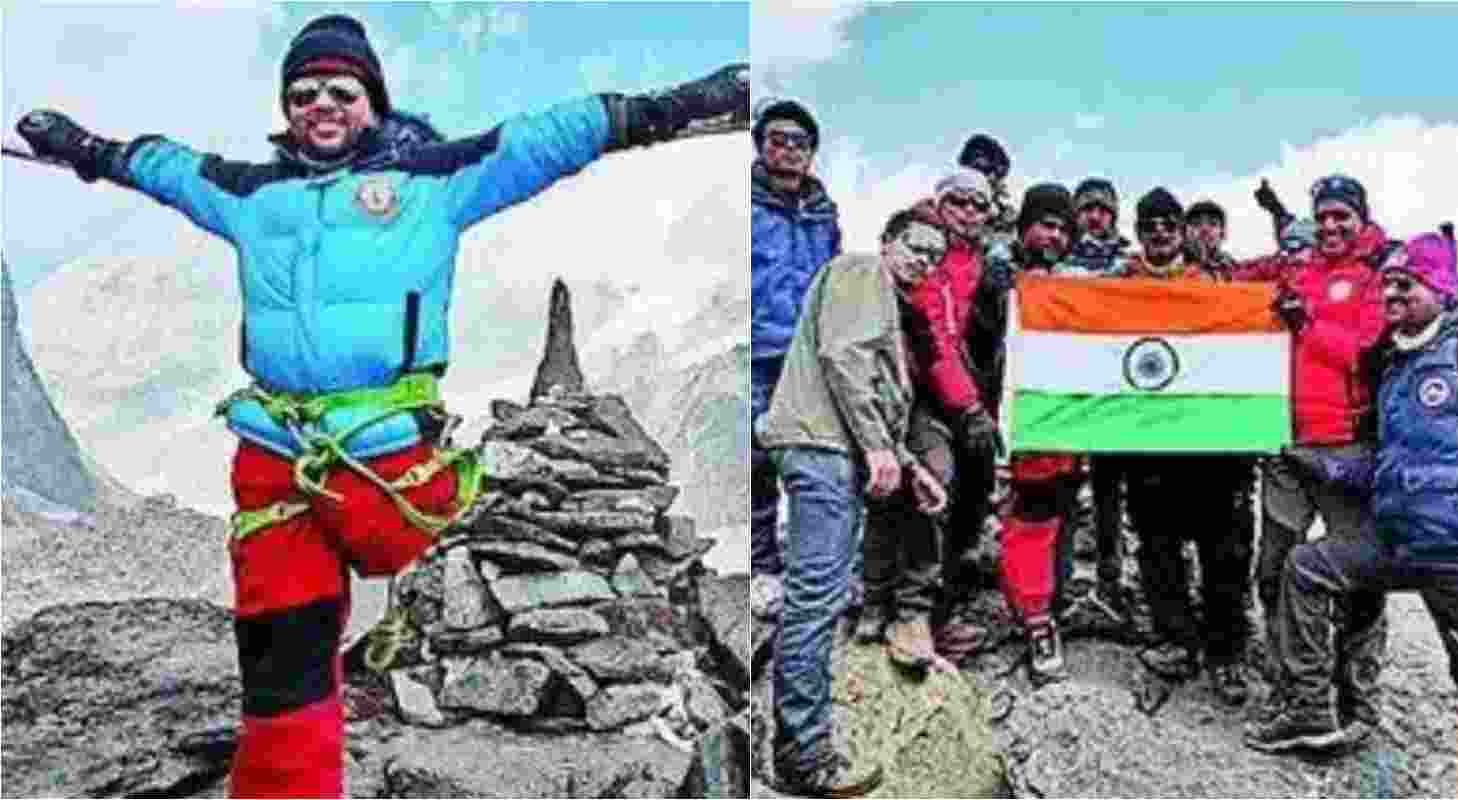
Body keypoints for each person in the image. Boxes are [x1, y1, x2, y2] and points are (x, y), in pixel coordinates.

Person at [14, 14, 747, 798]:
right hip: (276, 461)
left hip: (383, 455)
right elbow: (165, 168)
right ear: (286, 108)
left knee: (382, 557)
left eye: (340, 89)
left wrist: (677, 105)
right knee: (280, 664)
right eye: (302, 93)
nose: (320, 104)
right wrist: (84, 150)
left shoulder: (432, 182)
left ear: (372, 99)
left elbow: (547, 137)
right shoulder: (252, 197)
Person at [1247, 231, 1458, 762]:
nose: (1393, 293)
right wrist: (1317, 461)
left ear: (1442, 287)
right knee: (1307, 567)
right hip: (1400, 544)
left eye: (1408, 283)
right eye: (1387, 285)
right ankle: (1310, 713)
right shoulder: (1395, 366)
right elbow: (1390, 461)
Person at [760, 209, 950, 797]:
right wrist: (877, 449)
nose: (924, 259)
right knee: (816, 597)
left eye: (935, 256)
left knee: (819, 594)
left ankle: (796, 741)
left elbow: (870, 390)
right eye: (916, 246)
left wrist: (909, 465)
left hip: (826, 448)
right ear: (888, 242)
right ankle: (803, 755)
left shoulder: (882, 303)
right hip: (820, 449)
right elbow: (843, 358)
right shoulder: (863, 272)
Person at [1247, 175, 1391, 739]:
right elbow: (1243, 287)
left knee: (1354, 576)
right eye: (1323, 216)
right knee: (1274, 570)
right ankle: (1300, 699)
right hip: (1285, 446)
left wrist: (1307, 322)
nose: (1331, 226)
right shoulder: (1298, 270)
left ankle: (1359, 701)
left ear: (1361, 218)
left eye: (1341, 217)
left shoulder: (1379, 275)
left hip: (1347, 449)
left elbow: (1367, 354)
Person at [1118, 188, 1256, 705]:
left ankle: (1227, 652)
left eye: (1168, 224)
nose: (1159, 232)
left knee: (1225, 552)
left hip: (1213, 448)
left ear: (1180, 232)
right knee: (1158, 549)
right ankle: (1175, 638)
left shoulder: (1218, 286)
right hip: (1147, 445)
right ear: (1139, 231)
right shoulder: (1117, 287)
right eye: (1149, 224)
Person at [970, 183, 1084, 682]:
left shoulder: (1077, 286)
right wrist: (995, 295)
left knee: (1059, 518)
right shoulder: (993, 277)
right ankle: (1037, 620)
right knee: (1030, 522)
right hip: (1014, 424)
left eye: (1063, 228)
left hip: (1069, 427)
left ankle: (1045, 604)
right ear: (1024, 227)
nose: (1053, 235)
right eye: (1046, 224)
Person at [892, 168, 1006, 664]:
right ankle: (910, 614)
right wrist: (969, 407)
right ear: (940, 204)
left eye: (978, 205)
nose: (967, 212)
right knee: (935, 484)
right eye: (957, 201)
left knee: (973, 501)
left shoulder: (985, 261)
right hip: (927, 397)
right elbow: (935, 341)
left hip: (972, 400)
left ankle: (946, 613)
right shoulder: (927, 253)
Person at [750, 97, 842, 620]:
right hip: (758, 350)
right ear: (762, 146)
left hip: (808, 354)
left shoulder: (823, 213)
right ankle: (764, 567)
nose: (789, 150)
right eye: (778, 139)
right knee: (757, 458)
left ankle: (814, 568)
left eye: (800, 143)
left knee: (811, 455)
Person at [1054, 177, 1132, 631]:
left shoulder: (1130, 261)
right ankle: (1060, 585)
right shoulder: (1059, 262)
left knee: (1109, 495)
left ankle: (1110, 581)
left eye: (1103, 209)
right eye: (1087, 209)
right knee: (1061, 491)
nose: (1095, 217)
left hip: (1116, 399)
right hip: (1067, 396)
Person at [1184, 199, 1236, 276]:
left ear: (1223, 233)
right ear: (1186, 232)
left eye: (1213, 224)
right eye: (1196, 224)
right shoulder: (1175, 267)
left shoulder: (1233, 268)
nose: (1205, 229)